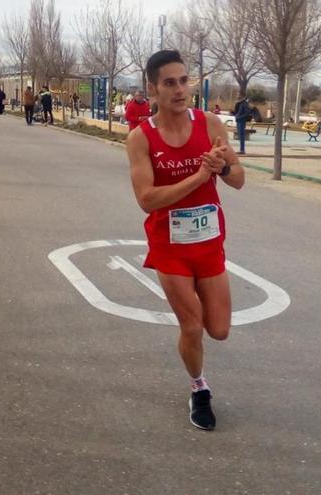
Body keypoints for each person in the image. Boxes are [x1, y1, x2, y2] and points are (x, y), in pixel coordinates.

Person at [126, 50, 245, 431]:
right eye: (169, 83)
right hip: (170, 246)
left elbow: (239, 178)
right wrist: (198, 177)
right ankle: (199, 388)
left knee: (220, 330)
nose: (180, 90)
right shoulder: (140, 138)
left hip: (209, 242)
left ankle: (198, 376)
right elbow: (147, 200)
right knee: (191, 328)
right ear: (153, 89)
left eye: (184, 81)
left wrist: (223, 166)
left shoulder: (210, 124)